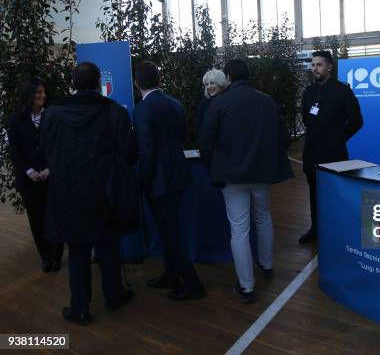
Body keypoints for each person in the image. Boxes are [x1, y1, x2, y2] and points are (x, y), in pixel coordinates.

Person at [41, 62, 134, 325]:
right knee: (108, 247)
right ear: (98, 84)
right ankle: (114, 296)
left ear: (73, 83)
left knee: (78, 251)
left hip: (68, 192)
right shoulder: (115, 112)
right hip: (104, 191)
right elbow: (127, 152)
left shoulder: (54, 113)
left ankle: (80, 307)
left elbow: (45, 149)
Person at [199, 59, 293, 304]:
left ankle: (247, 286)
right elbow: (284, 136)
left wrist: (214, 169)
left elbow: (205, 142)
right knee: (263, 217)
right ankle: (267, 264)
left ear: (228, 77)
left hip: (232, 177)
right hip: (262, 174)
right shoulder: (266, 101)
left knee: (239, 229)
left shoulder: (219, 103)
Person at [133, 60, 205, 301]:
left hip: (158, 180)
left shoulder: (142, 109)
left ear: (136, 83)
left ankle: (193, 285)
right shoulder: (175, 104)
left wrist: (144, 182)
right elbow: (181, 137)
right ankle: (171, 275)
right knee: (169, 232)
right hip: (179, 174)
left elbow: (146, 151)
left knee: (171, 235)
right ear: (160, 80)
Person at [299, 50, 363, 243]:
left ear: (329, 67)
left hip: (334, 152)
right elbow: (305, 117)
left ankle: (337, 230)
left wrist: (339, 138)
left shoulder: (343, 91)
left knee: (335, 193)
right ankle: (315, 228)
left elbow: (356, 121)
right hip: (312, 151)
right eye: (313, 65)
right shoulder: (309, 92)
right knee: (314, 191)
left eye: (319, 65)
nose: (315, 68)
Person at [8, 78, 63, 273]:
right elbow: (15, 151)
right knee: (36, 220)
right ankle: (46, 257)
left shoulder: (53, 116)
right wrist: (29, 171)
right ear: (29, 96)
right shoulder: (15, 120)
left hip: (52, 176)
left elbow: (60, 146)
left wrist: (50, 168)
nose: (43, 96)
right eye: (38, 93)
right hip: (29, 180)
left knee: (54, 217)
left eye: (43, 92)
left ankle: (56, 256)